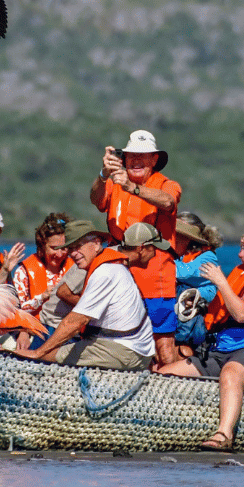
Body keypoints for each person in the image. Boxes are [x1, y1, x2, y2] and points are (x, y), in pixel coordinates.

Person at [156, 225, 244, 452]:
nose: (242, 244)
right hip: (222, 349)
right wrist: (198, 303)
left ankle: (224, 434)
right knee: (164, 374)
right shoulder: (240, 272)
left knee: (231, 373)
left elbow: (242, 313)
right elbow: (224, 313)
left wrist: (220, 281)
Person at [91, 130, 182, 365]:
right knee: (119, 336)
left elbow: (168, 201)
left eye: (143, 156)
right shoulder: (114, 182)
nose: (136, 161)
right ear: (123, 159)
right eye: (131, 156)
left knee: (162, 344)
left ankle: (175, 392)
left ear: (154, 160)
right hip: (119, 268)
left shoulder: (168, 184)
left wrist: (133, 187)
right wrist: (103, 174)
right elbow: (96, 199)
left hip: (155, 274)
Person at [23, 219, 155, 370]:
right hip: (134, 348)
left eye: (78, 246)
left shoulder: (105, 271)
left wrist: (37, 353)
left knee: (43, 359)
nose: (73, 254)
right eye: (71, 249)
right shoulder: (113, 265)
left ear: (97, 243)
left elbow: (75, 321)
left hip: (123, 349)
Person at [10, 211, 71, 347]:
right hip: (35, 330)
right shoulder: (23, 272)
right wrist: (42, 297)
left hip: (68, 331)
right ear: (42, 245)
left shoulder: (76, 269)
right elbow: (16, 311)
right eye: (54, 248)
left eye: (64, 248)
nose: (59, 254)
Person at [171, 211, 222, 355]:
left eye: (182, 235)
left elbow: (186, 273)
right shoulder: (178, 256)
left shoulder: (208, 257)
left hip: (194, 320)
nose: (176, 238)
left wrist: (159, 260)